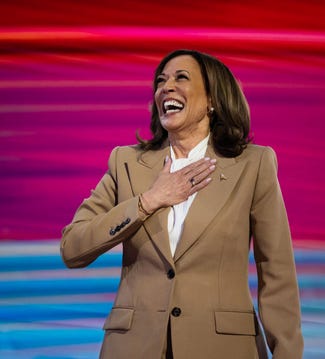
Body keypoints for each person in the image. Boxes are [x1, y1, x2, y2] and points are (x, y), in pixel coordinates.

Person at [60, 49, 303, 359]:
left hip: (222, 348)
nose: (166, 87)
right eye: (161, 81)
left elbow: (276, 272)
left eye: (181, 78)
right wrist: (149, 201)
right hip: (133, 348)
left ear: (213, 99)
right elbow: (73, 248)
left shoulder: (253, 165)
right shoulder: (126, 163)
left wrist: (287, 353)